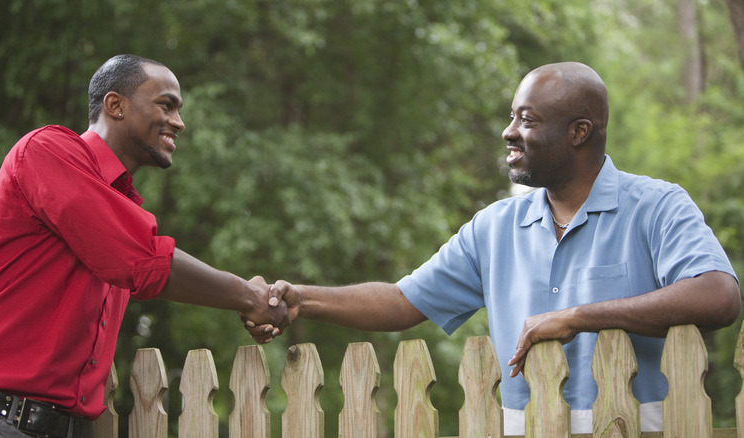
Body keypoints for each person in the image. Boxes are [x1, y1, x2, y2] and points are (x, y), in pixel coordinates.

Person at [244, 62, 741, 435]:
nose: (509, 132)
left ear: (579, 132)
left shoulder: (657, 206)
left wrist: (579, 316)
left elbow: (718, 297)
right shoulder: (494, 226)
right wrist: (303, 300)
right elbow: (402, 301)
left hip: (639, 427)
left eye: (527, 119)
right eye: (512, 117)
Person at [0, 54, 286, 437]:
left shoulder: (122, 208)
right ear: (115, 105)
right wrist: (250, 298)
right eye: (166, 105)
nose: (179, 122)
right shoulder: (45, 151)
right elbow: (144, 260)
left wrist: (245, 296)